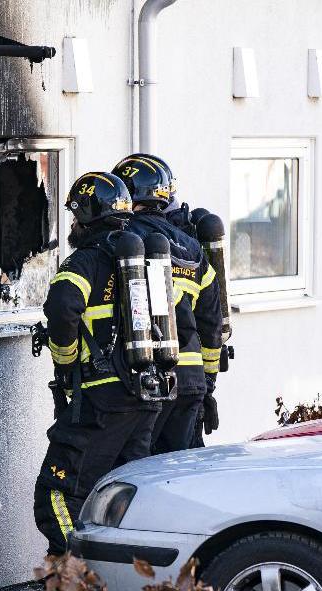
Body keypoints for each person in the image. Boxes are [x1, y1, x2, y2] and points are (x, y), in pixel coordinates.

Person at [25, 173, 162, 591]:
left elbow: (63, 309)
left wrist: (65, 365)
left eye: (74, 214)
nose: (71, 224)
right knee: (121, 495)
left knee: (58, 494)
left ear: (86, 215)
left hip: (100, 397)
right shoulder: (143, 255)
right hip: (146, 394)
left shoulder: (84, 261)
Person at [111, 155, 222, 454]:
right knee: (183, 478)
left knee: (138, 478)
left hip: (146, 380)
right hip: (191, 381)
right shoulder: (194, 248)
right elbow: (211, 326)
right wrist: (208, 385)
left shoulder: (125, 241)